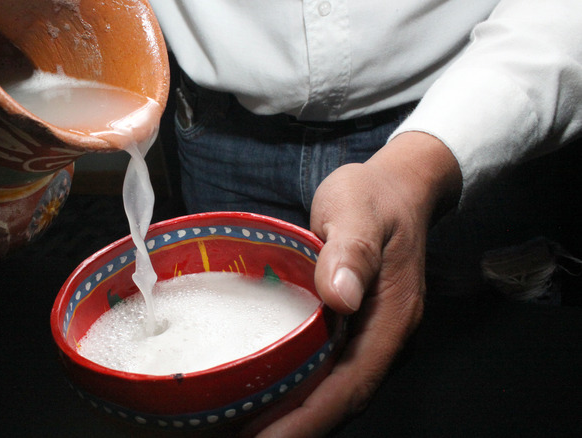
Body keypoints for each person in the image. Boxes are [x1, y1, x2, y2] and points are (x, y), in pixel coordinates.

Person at [146, 1, 582, 436]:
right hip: (219, 134)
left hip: (481, 109)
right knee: (234, 395)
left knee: (483, 380)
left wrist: (419, 169)